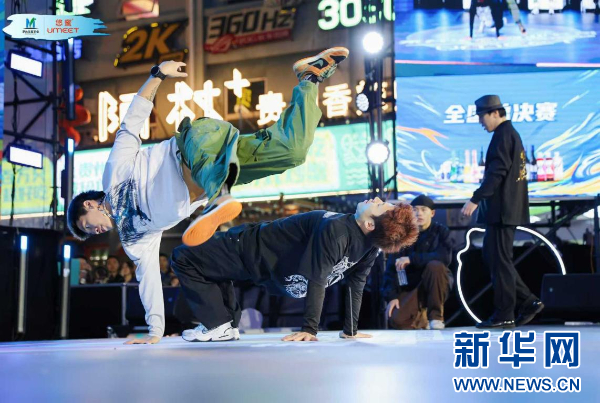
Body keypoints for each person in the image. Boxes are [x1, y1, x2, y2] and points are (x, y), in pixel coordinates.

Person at [66, 48, 349, 344]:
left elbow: (132, 121)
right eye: (90, 233)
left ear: (89, 204)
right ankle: (308, 78)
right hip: (222, 165)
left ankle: (219, 200)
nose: (94, 231)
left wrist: (158, 75)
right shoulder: (133, 238)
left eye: (87, 225)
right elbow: (148, 278)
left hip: (196, 143)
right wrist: (154, 332)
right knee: (291, 151)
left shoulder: (113, 174)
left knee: (208, 165)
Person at [170, 198, 419, 342]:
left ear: (369, 224)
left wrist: (309, 329)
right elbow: (356, 285)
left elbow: (319, 277)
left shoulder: (338, 229)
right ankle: (225, 325)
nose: (375, 199)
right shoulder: (369, 247)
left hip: (248, 247)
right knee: (213, 268)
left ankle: (218, 324)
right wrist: (350, 331)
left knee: (183, 257)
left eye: (379, 206)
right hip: (267, 266)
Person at [461, 95, 544, 329]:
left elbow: (496, 173)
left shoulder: (503, 135)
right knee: (494, 258)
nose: (480, 122)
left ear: (495, 113)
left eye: (482, 116)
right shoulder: (508, 134)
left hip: (502, 211)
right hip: (504, 210)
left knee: (499, 261)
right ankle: (528, 301)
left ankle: (505, 314)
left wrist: (476, 199)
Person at [383, 195, 454, 330]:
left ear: (432, 213)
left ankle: (436, 317)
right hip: (412, 286)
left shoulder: (441, 232)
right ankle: (422, 318)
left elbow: (444, 257)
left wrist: (411, 259)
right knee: (397, 319)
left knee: (435, 266)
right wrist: (392, 296)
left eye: (423, 210)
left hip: (437, 284)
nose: (419, 213)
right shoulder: (402, 236)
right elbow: (391, 269)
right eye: (415, 210)